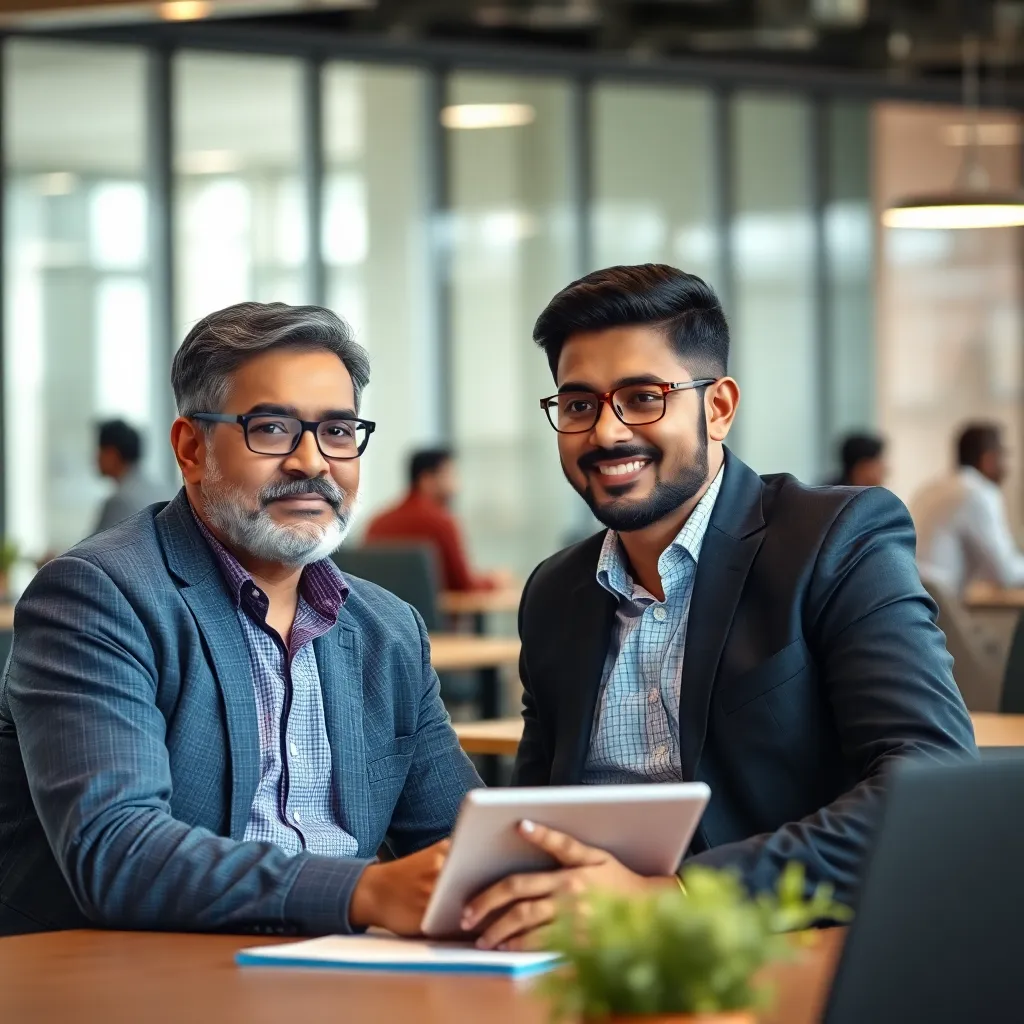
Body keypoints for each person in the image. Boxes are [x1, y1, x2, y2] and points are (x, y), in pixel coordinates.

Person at [461, 264, 977, 952]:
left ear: (718, 407)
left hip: (779, 952)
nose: (607, 433)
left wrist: (676, 899)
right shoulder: (556, 592)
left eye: (643, 397)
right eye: (579, 404)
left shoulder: (834, 540)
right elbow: (537, 817)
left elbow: (931, 783)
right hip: (586, 964)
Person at [0, 301, 480, 937]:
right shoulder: (98, 596)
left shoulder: (387, 629)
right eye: (273, 428)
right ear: (191, 447)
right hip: (139, 979)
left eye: (338, 431)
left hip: (348, 974)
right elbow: (116, 853)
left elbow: (461, 839)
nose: (312, 461)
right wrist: (360, 891)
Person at [365, 448, 510, 592]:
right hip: (433, 614)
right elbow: (464, 584)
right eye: (450, 474)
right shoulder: (441, 521)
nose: (457, 483)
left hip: (382, 611)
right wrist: (495, 581)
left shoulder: (378, 522)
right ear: (426, 479)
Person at [911, 423, 1024, 596]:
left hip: (909, 597)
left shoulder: (931, 488)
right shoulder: (979, 492)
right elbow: (1004, 573)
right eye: (1003, 456)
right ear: (989, 458)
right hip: (938, 606)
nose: (1006, 467)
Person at [93, 418, 171, 534]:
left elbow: (90, 551)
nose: (96, 457)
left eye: (100, 450)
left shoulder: (119, 502)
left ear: (112, 454)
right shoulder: (165, 490)